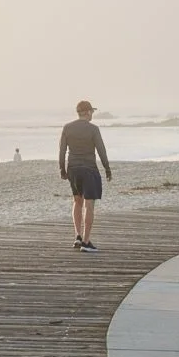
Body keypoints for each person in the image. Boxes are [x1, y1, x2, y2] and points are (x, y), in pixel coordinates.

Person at [59, 100, 112, 252]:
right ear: (88, 112)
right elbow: (101, 150)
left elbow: (62, 151)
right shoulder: (93, 129)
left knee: (77, 200)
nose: (92, 115)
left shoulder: (67, 128)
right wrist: (107, 168)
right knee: (89, 204)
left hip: (73, 169)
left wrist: (62, 169)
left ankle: (77, 236)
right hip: (89, 169)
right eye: (92, 112)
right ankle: (86, 242)